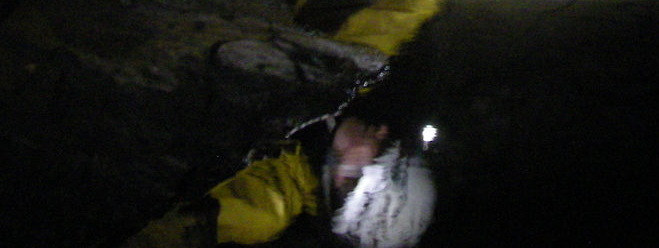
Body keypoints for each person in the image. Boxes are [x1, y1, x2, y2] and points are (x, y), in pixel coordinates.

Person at [121, 112, 435, 248]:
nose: (381, 130)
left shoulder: (264, 205)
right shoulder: (326, 123)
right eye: (390, 141)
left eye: (381, 149)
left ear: (347, 181)